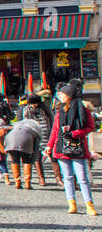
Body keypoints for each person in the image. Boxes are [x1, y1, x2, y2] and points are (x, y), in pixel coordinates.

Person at [48, 83, 96, 215]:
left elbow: (90, 127)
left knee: (82, 178)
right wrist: (49, 146)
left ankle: (89, 205)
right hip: (62, 147)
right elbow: (55, 130)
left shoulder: (83, 109)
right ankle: (72, 203)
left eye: (62, 94)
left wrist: (75, 133)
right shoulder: (60, 111)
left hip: (78, 147)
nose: (60, 96)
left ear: (69, 95)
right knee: (68, 177)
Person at [18, 94, 55, 187]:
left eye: (34, 103)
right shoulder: (26, 110)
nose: (32, 106)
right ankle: (41, 178)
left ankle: (58, 177)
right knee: (37, 156)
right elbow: (22, 121)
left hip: (46, 133)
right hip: (33, 133)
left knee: (53, 155)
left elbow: (52, 120)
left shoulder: (45, 109)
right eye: (30, 104)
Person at [3, 113, 42, 190]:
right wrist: (32, 160)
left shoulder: (16, 126)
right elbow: (35, 150)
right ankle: (27, 183)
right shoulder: (34, 130)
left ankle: (17, 182)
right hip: (26, 140)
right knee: (27, 161)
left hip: (11, 139)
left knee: (14, 161)